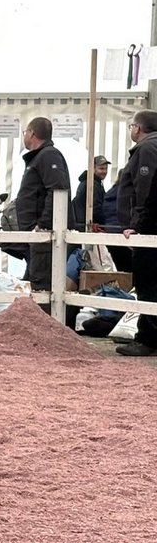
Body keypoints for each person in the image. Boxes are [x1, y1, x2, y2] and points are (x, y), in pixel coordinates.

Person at [14, 115, 71, 316]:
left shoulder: (47, 156)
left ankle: (45, 327)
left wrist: (43, 225)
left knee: (42, 286)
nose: (25, 136)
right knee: (37, 283)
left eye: (25, 132)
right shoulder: (43, 156)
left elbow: (57, 190)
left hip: (44, 236)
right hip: (38, 235)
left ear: (32, 133)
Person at [114, 110, 157, 357]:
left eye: (132, 126)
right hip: (150, 225)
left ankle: (148, 338)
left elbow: (145, 190)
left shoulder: (146, 149)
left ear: (138, 128)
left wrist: (138, 226)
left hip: (149, 229)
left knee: (148, 283)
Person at [70, 155, 110, 232]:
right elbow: (96, 208)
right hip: (87, 226)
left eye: (106, 169)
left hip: (81, 225)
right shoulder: (92, 184)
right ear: (93, 169)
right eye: (101, 169)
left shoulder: (88, 182)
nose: (104, 171)